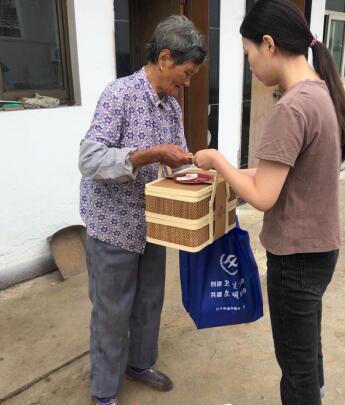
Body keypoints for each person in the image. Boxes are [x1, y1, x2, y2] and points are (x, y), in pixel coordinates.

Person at [194, 1, 345, 404]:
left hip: (296, 257)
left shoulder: (291, 106)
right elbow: (282, 173)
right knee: (308, 356)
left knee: (296, 372)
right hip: (320, 250)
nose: (250, 64)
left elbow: (263, 197)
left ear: (268, 44)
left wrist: (217, 159)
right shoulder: (320, 93)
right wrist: (234, 172)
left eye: (249, 53)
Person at [78, 15, 207, 405]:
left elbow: (177, 161)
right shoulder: (118, 95)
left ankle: (139, 364)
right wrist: (149, 155)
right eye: (186, 73)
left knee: (149, 301)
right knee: (112, 312)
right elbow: (89, 160)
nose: (188, 83)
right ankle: (104, 392)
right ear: (164, 58)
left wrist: (203, 171)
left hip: (154, 223)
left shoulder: (171, 107)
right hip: (113, 225)